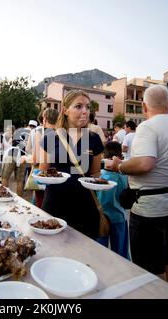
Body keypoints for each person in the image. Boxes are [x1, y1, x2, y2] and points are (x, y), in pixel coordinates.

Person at [106, 85, 168, 282]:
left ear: (143, 106)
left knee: (148, 268)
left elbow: (146, 163)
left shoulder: (147, 127)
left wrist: (119, 167)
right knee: (167, 259)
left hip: (150, 210)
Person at [39, 90, 104, 239]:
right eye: (79, 106)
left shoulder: (94, 139)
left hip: (85, 208)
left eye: (88, 107)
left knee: (84, 257)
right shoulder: (50, 138)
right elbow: (43, 171)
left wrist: (99, 182)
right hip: (54, 205)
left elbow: (95, 173)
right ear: (65, 110)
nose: (85, 111)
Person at [96, 142, 130, 260]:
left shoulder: (99, 176)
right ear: (120, 157)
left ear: (103, 157)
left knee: (99, 252)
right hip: (119, 218)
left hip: (101, 219)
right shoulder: (124, 177)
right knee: (121, 252)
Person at [28, 108, 59, 208]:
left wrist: (27, 159)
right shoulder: (63, 133)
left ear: (45, 119)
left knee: (41, 206)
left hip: (44, 176)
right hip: (59, 178)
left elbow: (36, 159)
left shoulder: (40, 132)